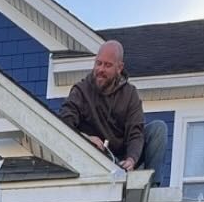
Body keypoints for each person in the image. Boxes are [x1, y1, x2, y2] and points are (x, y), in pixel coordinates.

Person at [58, 40, 169, 184]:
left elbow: (136, 132)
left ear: (119, 68)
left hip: (122, 159)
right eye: (98, 63)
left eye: (107, 65)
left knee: (159, 129)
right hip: (95, 156)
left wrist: (131, 159)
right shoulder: (81, 90)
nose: (101, 69)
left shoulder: (130, 94)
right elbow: (64, 121)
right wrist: (85, 139)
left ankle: (152, 188)